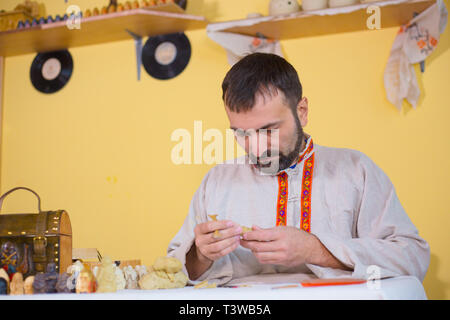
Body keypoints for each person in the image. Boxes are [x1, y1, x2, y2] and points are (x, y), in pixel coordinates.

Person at [167, 53, 430, 286]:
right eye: (242, 134)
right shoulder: (217, 181)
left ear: (301, 111)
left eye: (268, 130)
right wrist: (200, 255)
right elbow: (172, 271)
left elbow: (413, 259)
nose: (256, 149)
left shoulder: (355, 170)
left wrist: (315, 250)